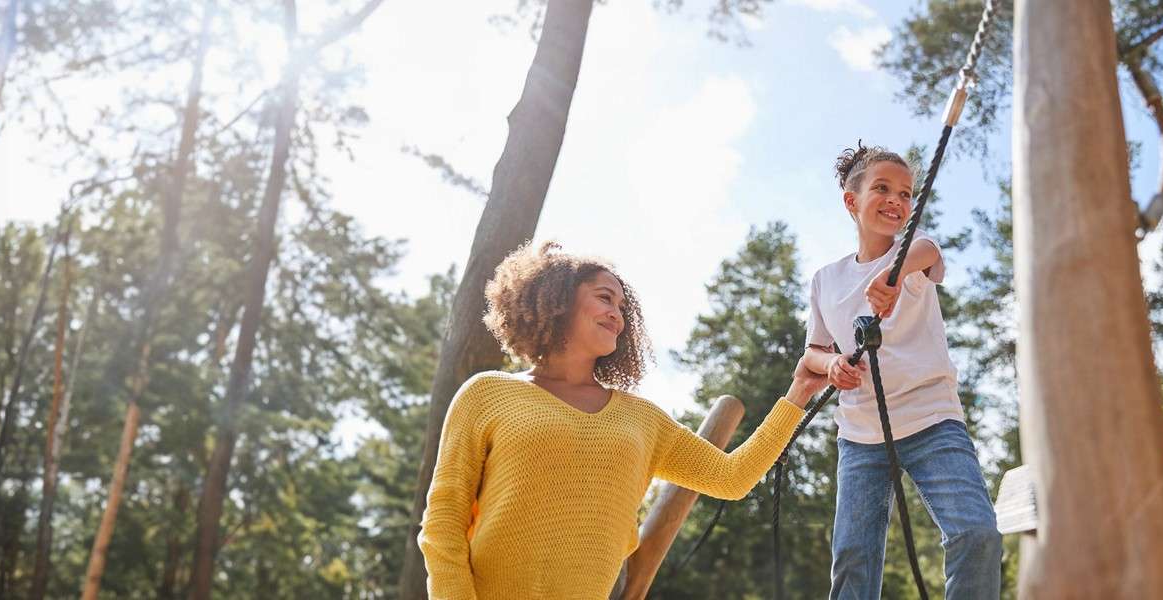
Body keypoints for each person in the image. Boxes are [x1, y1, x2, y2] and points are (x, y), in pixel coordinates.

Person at [418, 241, 826, 598]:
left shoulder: (641, 419)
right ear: (557, 299)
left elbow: (732, 478)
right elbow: (443, 523)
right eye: (604, 298)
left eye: (622, 306)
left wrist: (798, 393)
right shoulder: (487, 393)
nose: (617, 313)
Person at [802, 142, 1002, 599]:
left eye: (906, 193)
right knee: (853, 558)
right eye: (883, 188)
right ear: (852, 201)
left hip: (933, 420)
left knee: (977, 534)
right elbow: (812, 352)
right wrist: (833, 364)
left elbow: (928, 250)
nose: (896, 200)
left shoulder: (912, 254)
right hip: (860, 434)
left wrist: (893, 276)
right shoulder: (825, 280)